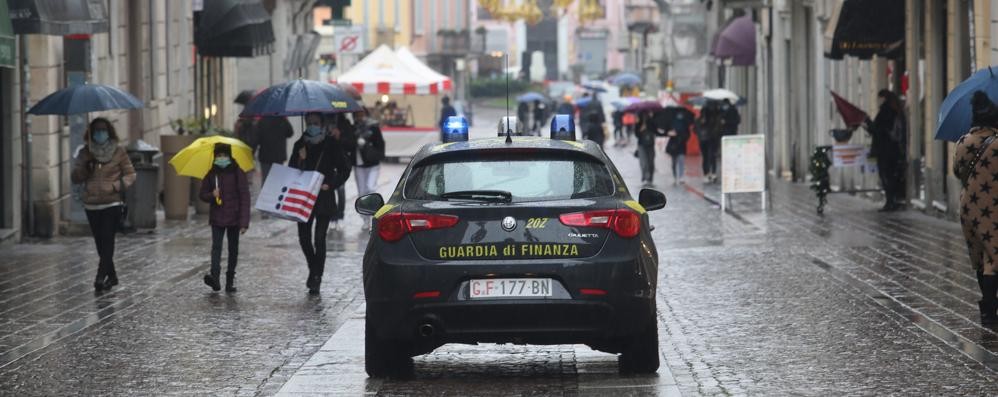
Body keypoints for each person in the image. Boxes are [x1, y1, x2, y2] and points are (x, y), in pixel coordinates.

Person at [289, 113, 352, 294]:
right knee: (304, 239)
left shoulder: (330, 144)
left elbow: (345, 169)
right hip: (303, 198)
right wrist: (300, 158)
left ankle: (317, 277)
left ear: (322, 124)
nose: (312, 126)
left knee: (319, 239)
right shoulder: (299, 145)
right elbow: (292, 171)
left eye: (315, 123)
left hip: (323, 197)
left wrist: (331, 184)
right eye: (309, 123)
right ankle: (313, 269)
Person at [70, 118, 136, 291]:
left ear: (109, 132)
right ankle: (112, 277)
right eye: (97, 131)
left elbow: (130, 174)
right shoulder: (85, 152)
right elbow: (75, 177)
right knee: (100, 243)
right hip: (91, 204)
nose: (100, 134)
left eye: (103, 130)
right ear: (91, 134)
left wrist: (115, 187)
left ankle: (100, 277)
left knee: (108, 240)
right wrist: (85, 167)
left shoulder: (118, 152)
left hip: (111, 203)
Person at [954, 91, 998, 325]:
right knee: (995, 257)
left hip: (969, 207)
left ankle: (987, 308)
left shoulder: (963, 142)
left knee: (980, 256)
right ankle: (990, 309)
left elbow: (956, 172)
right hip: (995, 206)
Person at [198, 143, 250, 293]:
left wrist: (244, 222)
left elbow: (244, 197)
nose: (221, 158)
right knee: (216, 247)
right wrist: (212, 195)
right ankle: (215, 277)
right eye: (219, 155)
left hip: (234, 217)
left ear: (229, 156)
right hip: (217, 216)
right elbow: (202, 194)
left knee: (233, 249)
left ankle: (230, 280)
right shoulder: (211, 174)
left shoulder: (237, 173)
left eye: (224, 155)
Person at [865, 89, 907, 211]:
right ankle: (892, 200)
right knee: (891, 176)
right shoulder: (895, 110)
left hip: (884, 150)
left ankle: (890, 202)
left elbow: (878, 130)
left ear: (883, 98)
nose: (878, 101)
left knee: (885, 176)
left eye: (879, 98)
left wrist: (867, 121)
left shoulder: (885, 111)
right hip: (893, 150)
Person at [352, 109, 386, 229]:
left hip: (372, 164)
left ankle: (374, 215)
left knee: (371, 188)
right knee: (362, 192)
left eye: (361, 114)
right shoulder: (352, 128)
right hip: (359, 165)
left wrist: (367, 145)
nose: (359, 116)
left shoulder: (373, 127)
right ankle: (365, 219)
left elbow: (380, 144)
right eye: (357, 114)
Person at [327, 114, 355, 229]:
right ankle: (332, 216)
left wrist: (339, 138)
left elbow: (351, 144)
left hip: (341, 162)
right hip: (328, 162)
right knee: (329, 190)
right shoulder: (325, 123)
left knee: (341, 190)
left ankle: (340, 215)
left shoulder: (345, 125)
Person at [255, 116, 294, 187]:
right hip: (278, 156)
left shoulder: (262, 121)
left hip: (265, 156)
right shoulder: (282, 120)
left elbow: (256, 139)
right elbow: (290, 133)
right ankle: (275, 196)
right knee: (277, 179)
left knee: (266, 179)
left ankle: (265, 196)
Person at [697, 101, 723, 183]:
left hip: (706, 139)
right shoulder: (715, 117)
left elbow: (695, 129)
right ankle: (712, 173)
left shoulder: (702, 118)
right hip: (710, 139)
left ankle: (708, 174)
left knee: (707, 157)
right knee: (711, 156)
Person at [666, 110, 692, 185]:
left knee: (681, 161)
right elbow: (667, 132)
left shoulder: (685, 123)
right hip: (673, 145)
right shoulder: (671, 122)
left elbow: (688, 134)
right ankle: (674, 176)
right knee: (674, 162)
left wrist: (683, 137)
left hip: (682, 145)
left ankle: (681, 176)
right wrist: (670, 133)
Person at [635, 110, 659, 186]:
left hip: (650, 145)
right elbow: (637, 135)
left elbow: (656, 132)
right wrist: (641, 129)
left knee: (651, 162)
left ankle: (650, 178)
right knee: (644, 162)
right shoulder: (638, 123)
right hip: (641, 145)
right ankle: (645, 177)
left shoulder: (652, 122)